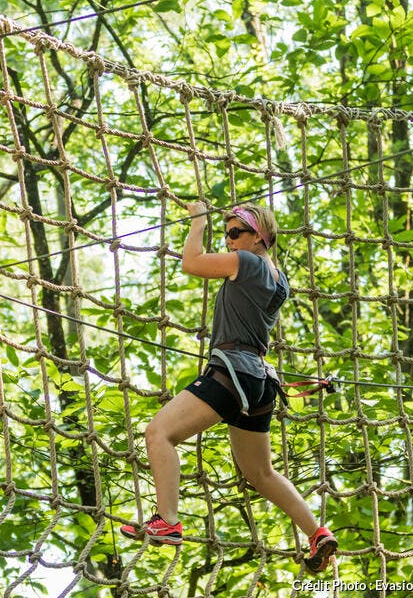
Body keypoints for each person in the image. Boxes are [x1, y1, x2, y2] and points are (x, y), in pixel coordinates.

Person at [120, 202, 338, 574]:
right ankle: (317, 533)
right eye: (226, 233)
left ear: (259, 237)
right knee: (260, 473)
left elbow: (191, 262)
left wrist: (198, 222)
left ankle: (168, 521)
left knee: (159, 433)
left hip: (231, 374)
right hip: (258, 383)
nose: (229, 240)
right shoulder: (278, 278)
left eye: (236, 233)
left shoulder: (247, 263)